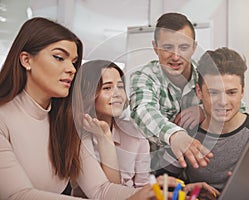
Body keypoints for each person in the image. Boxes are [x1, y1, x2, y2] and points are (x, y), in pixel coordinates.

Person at [0, 17, 180, 200]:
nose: (71, 69)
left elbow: (101, 190)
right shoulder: (3, 119)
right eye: (59, 57)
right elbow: (17, 195)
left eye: (74, 62)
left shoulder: (68, 122)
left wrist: (155, 194)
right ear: (26, 60)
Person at [163, 47, 249, 199]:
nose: (223, 102)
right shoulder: (186, 136)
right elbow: (161, 184)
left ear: (242, 92)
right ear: (199, 92)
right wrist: (186, 191)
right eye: (213, 92)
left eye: (231, 92)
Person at [130, 12, 213, 174]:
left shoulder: (206, 74)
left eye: (183, 47)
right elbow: (143, 111)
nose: (175, 56)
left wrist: (205, 110)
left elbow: (239, 106)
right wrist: (176, 135)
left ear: (194, 47)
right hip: (157, 174)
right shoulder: (144, 77)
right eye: (167, 47)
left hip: (202, 171)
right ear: (155, 47)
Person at [73, 60, 151, 193]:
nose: (118, 94)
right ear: (88, 93)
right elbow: (106, 191)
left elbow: (144, 188)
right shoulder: (77, 136)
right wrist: (104, 137)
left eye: (120, 87)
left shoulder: (136, 135)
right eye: (107, 88)